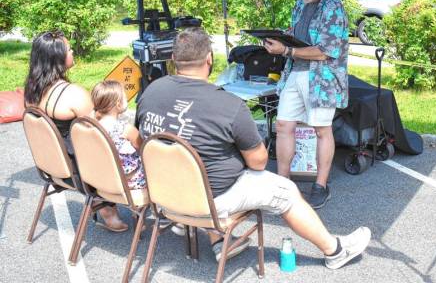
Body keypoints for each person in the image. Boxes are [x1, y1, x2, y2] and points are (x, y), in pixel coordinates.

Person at [136, 27, 370, 269]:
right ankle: (335, 251)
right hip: (208, 201)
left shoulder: (151, 91)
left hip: (163, 192)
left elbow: (144, 139)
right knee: (286, 191)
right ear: (210, 59)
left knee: (204, 168)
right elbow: (258, 162)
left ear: (173, 60)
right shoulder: (228, 104)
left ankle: (219, 242)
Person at [264, 0, 349, 209]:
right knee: (283, 125)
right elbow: (295, 33)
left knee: (322, 129)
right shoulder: (301, 3)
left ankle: (321, 185)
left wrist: (286, 51)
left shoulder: (333, 8)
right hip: (295, 72)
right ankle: (283, 182)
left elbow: (326, 51)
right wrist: (276, 40)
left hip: (321, 77)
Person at [23, 31, 128, 232]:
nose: (73, 52)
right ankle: (110, 209)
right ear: (57, 58)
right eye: (69, 49)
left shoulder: (31, 91)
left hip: (51, 165)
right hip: (78, 171)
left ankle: (105, 208)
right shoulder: (72, 94)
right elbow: (98, 136)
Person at [91, 80, 146, 191]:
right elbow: (143, 149)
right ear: (118, 104)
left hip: (103, 179)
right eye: (125, 98)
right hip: (130, 182)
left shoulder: (93, 127)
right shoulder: (126, 130)